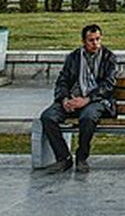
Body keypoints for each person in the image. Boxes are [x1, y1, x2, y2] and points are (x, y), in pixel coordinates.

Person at [37, 23, 118, 173]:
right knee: (48, 117)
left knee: (87, 117)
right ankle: (63, 158)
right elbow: (62, 81)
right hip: (73, 99)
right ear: (83, 41)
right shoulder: (73, 57)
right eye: (91, 40)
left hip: (96, 100)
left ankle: (81, 158)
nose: (95, 43)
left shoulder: (109, 57)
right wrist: (65, 100)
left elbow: (108, 85)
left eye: (98, 39)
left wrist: (87, 99)